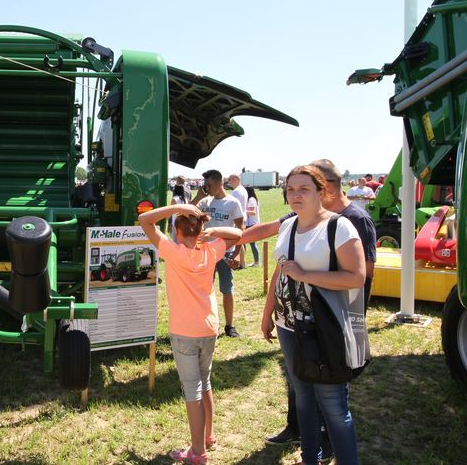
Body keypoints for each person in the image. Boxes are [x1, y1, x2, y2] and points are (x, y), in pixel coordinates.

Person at [240, 159, 376, 452]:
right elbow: (280, 272)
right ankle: (309, 457)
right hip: (288, 325)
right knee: (302, 396)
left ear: (321, 191)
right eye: (290, 189)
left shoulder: (341, 227)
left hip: (325, 326)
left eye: (304, 188)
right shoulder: (288, 225)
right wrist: (268, 314)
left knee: (333, 406)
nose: (296, 195)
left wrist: (306, 275)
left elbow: (357, 277)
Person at [139, 203, 242, 465]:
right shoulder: (210, 250)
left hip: (185, 331)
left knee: (192, 390)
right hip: (209, 328)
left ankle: (197, 452)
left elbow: (145, 220)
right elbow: (237, 235)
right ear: (199, 230)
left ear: (176, 229)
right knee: (204, 381)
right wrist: (210, 231)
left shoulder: (172, 252)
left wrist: (176, 205)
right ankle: (208, 436)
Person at [195, 169, 244, 338]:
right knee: (204, 290)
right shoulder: (205, 202)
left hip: (225, 252)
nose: (207, 188)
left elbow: (240, 230)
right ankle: (205, 323)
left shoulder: (233, 203)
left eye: (209, 185)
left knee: (227, 289)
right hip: (206, 253)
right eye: (205, 185)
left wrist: (237, 254)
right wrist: (199, 196)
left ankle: (229, 325)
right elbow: (187, 212)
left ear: (219, 183)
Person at [169, 176, 192, 242]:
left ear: (177, 181)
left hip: (176, 220)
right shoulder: (189, 190)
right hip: (185, 220)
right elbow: (190, 203)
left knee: (175, 241)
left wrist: (170, 222)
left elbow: (171, 209)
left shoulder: (176, 189)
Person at [244, 186, 260, 266]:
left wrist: (243, 210)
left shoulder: (251, 200)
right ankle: (243, 261)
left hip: (252, 224)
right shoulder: (252, 199)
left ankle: (257, 262)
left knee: (252, 244)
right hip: (250, 224)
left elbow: (253, 212)